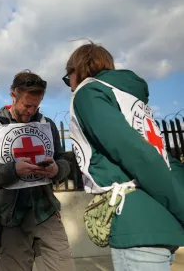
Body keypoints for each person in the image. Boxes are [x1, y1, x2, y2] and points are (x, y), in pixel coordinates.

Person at [64, 41, 184, 271]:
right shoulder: (131, 99)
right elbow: (166, 161)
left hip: (137, 221)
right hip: (163, 222)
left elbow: (136, 153)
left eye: (67, 76)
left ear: (78, 69)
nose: (69, 85)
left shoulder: (88, 93)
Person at [0, 70, 76, 271]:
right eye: (26, 105)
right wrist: (12, 170)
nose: (30, 111)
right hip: (9, 220)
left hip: (45, 213)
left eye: (36, 106)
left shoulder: (47, 125)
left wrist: (57, 169)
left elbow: (64, 161)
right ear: (13, 95)